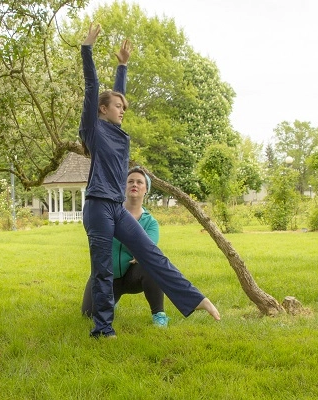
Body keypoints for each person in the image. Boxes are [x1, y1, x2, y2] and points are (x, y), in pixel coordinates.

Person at [79, 23, 220, 339]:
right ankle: (103, 329)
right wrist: (87, 48)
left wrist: (123, 66)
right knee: (101, 270)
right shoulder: (93, 129)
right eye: (117, 107)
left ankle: (195, 299)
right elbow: (92, 87)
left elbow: (119, 95)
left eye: (124, 107)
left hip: (116, 207)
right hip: (99, 207)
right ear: (102, 110)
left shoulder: (116, 131)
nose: (123, 110)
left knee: (152, 254)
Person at [81, 167, 170, 327]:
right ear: (123, 186)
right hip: (105, 276)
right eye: (130, 181)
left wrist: (141, 254)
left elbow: (147, 250)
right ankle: (111, 301)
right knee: (88, 314)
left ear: (146, 190)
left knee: (151, 263)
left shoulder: (151, 223)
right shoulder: (108, 214)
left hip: (132, 276)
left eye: (139, 182)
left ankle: (159, 314)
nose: (134, 184)